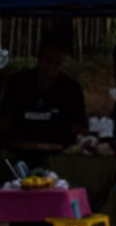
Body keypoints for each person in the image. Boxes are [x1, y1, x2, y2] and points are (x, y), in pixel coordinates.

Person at [0, 36, 87, 164]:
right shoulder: (18, 83)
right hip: (18, 153)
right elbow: (5, 123)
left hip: (59, 156)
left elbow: (77, 128)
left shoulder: (71, 88)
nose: (51, 67)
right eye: (47, 61)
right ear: (38, 58)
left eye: (57, 63)